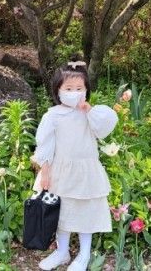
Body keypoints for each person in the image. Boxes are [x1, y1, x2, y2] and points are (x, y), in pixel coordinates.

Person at [30, 57, 119, 271]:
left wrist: (88, 109)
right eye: (68, 88)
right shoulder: (52, 115)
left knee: (84, 212)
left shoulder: (91, 114)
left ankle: (84, 254)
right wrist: (44, 172)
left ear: (86, 90)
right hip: (60, 171)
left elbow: (106, 125)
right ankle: (61, 252)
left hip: (85, 172)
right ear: (58, 90)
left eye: (79, 88)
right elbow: (46, 145)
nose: (73, 92)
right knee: (60, 212)